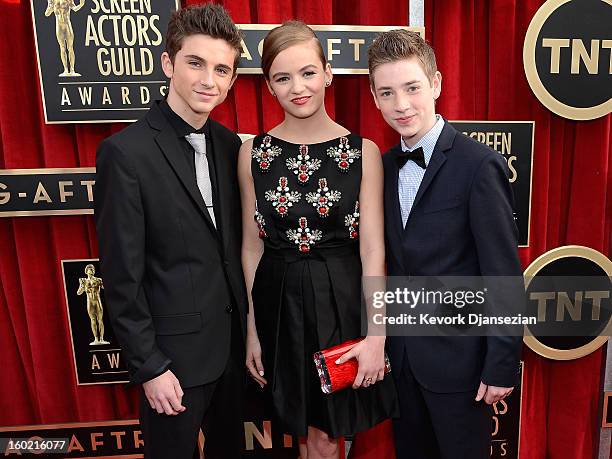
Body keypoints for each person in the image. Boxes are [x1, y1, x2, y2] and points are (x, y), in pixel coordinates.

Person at [239, 21, 398, 459]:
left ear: (329, 73)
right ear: (268, 87)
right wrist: (252, 330)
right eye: (282, 78)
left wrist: (377, 334)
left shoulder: (361, 151)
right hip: (278, 303)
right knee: (303, 432)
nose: (298, 87)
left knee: (329, 435)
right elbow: (252, 247)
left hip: (341, 300)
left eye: (308, 73)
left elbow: (372, 250)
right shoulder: (252, 152)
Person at [94, 4, 247, 458]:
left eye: (222, 69)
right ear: (168, 63)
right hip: (172, 365)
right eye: (195, 63)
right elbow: (121, 276)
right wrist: (150, 366)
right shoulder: (124, 153)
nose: (209, 80)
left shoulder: (229, 145)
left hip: (232, 356)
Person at [368, 30, 523, 458]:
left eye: (412, 88)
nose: (401, 104)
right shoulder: (379, 168)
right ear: (374, 98)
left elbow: (502, 272)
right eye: (387, 92)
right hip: (401, 363)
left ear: (436, 83)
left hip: (462, 366)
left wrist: (501, 362)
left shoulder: (478, 166)